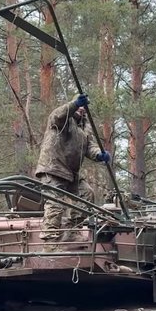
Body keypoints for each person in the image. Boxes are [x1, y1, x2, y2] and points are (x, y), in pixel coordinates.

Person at [34, 94, 111, 246]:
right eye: (80, 106)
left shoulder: (84, 127)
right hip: (53, 167)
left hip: (71, 172)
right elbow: (57, 115)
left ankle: (72, 230)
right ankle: (50, 241)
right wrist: (74, 104)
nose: (82, 109)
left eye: (84, 107)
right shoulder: (61, 120)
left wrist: (99, 155)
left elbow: (90, 146)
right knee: (55, 202)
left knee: (86, 194)